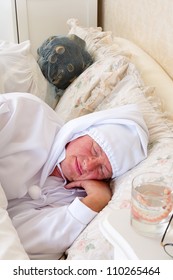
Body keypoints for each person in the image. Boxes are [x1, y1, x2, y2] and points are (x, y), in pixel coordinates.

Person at [0, 92, 149, 259]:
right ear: (81, 131)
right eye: (94, 150)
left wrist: (92, 202)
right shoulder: (28, 114)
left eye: (101, 169)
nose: (89, 165)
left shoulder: (71, 198)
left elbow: (21, 242)